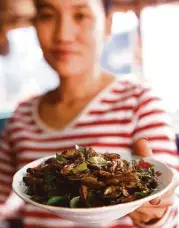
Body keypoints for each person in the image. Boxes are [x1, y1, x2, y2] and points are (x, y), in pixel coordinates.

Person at [0, 0, 179, 227]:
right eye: (47, 15)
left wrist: (156, 214)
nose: (63, 34)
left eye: (81, 15)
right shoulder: (21, 117)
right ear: (34, 24)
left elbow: (173, 207)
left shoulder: (139, 103)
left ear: (107, 24)